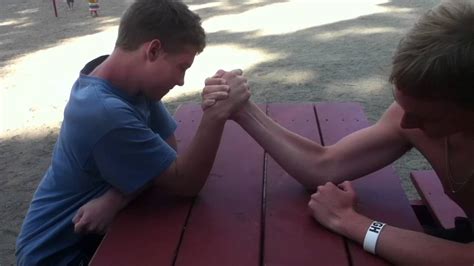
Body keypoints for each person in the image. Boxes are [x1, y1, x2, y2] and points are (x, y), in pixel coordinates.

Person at [207, 0, 474, 264]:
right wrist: (243, 110)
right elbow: (324, 166)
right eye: (401, 102)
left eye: (426, 116)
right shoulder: (414, 114)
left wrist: (352, 222)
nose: (405, 124)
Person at [15, 0, 249, 265]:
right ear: (153, 50)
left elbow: (168, 153)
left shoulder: (130, 84)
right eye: (182, 66)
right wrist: (215, 116)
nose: (181, 81)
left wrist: (116, 198)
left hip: (101, 237)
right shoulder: (103, 110)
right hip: (56, 254)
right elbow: (185, 183)